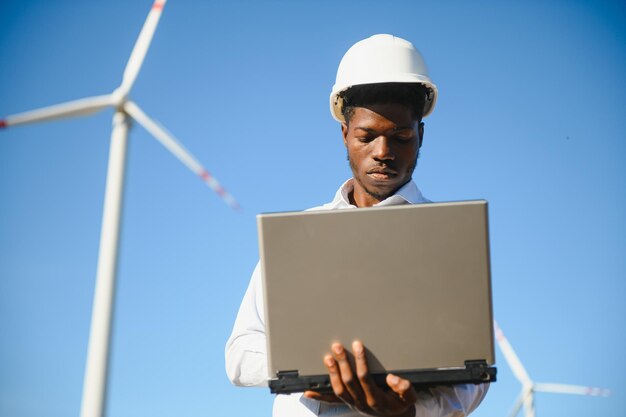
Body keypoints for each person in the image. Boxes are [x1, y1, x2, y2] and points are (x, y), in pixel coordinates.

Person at [225, 34, 489, 417]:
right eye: (367, 137)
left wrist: (409, 412)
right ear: (345, 134)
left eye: (401, 137)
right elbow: (240, 353)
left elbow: (472, 377)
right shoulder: (297, 238)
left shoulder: (451, 241)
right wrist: (318, 369)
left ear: (421, 136)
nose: (383, 153)